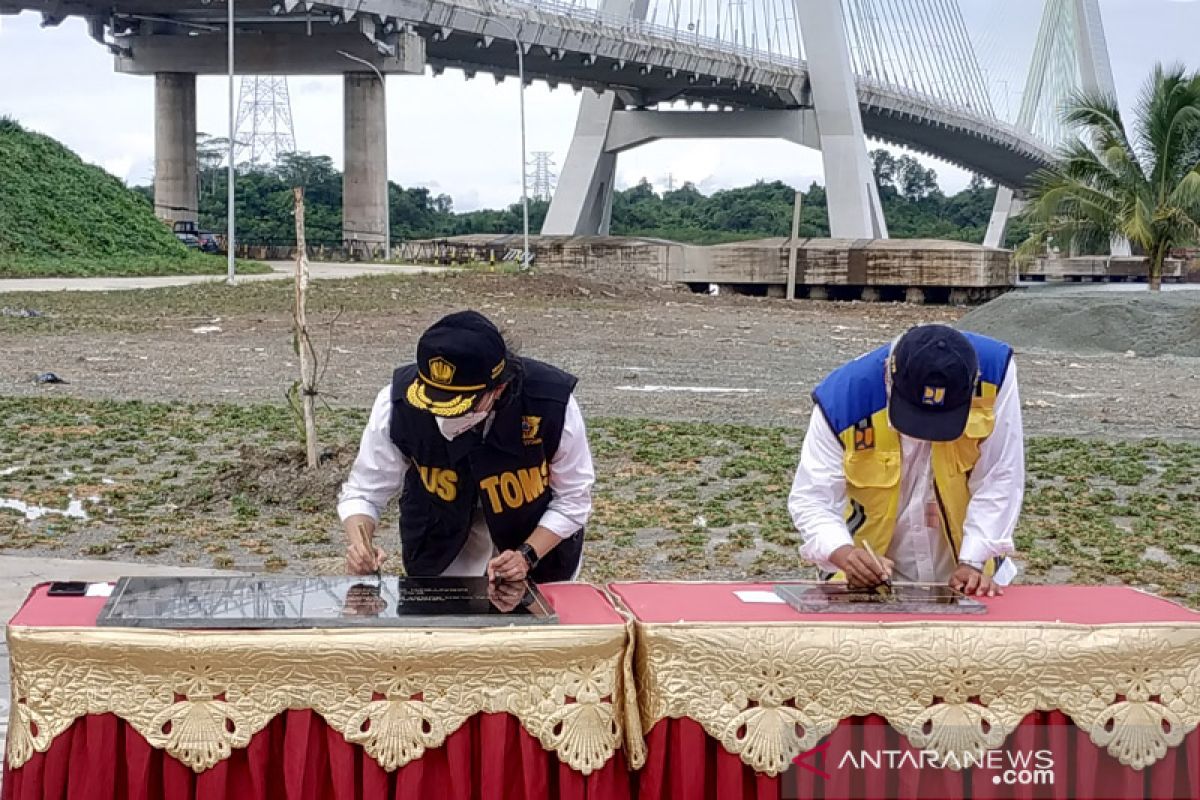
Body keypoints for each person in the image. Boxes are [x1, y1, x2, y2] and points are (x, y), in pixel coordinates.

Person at [338, 310, 594, 584]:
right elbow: (365, 492)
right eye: (433, 403)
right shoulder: (396, 404)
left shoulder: (552, 403)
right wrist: (361, 544)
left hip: (536, 552)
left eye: (460, 406)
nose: (444, 417)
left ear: (498, 389)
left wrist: (526, 555)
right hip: (439, 551)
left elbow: (573, 499)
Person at [788, 324, 1024, 597]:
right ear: (889, 376)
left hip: (968, 576)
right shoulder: (842, 399)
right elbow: (812, 498)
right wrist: (844, 553)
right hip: (867, 583)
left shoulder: (996, 373)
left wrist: (973, 561)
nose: (927, 435)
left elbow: (1001, 474)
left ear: (972, 386)